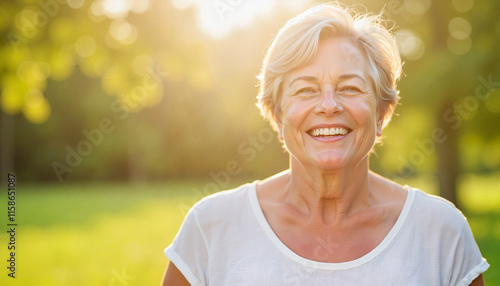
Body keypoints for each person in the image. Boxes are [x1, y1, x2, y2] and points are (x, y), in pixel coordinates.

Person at [161, 3, 489, 285]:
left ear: (381, 113)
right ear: (276, 115)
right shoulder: (212, 227)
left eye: (349, 88)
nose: (329, 105)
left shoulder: (442, 233)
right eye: (306, 89)